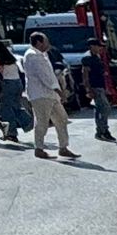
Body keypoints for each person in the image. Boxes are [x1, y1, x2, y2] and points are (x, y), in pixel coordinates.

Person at [19, 32, 77, 160]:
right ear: (39, 42)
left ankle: (63, 147)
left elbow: (49, 75)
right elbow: (45, 77)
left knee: (61, 119)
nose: (48, 44)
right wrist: (59, 91)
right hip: (40, 94)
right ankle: (39, 148)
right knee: (42, 122)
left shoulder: (42, 55)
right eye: (46, 41)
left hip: (50, 94)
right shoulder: (32, 56)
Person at [0, 40, 25, 145]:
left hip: (7, 84)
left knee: (6, 109)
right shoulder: (12, 58)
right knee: (16, 106)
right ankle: (28, 123)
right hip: (17, 83)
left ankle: (11, 133)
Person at [83, 35, 116, 143]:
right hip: (95, 87)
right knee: (105, 108)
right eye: (98, 46)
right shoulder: (87, 58)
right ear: (91, 46)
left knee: (100, 109)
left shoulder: (96, 56)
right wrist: (88, 89)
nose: (100, 48)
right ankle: (103, 130)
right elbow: (85, 74)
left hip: (100, 86)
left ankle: (101, 131)